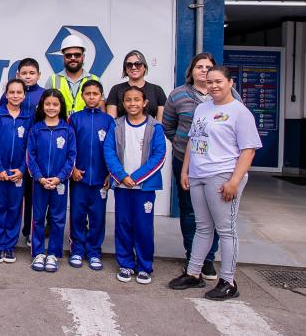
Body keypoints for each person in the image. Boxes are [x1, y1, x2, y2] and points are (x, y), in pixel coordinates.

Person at [169, 66, 262, 300]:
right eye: (210, 82)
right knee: (202, 227)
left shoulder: (240, 112)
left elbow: (248, 151)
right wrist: (186, 170)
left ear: (230, 83)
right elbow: (193, 140)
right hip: (198, 174)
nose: (213, 86)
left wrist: (234, 181)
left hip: (223, 176)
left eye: (218, 81)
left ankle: (228, 281)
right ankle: (193, 273)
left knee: (226, 230)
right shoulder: (202, 108)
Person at [162, 52, 229, 280]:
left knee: (215, 211)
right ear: (191, 71)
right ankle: (193, 256)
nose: (203, 70)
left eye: (208, 67)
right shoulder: (178, 95)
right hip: (186, 161)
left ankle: (208, 259)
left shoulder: (227, 96)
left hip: (218, 164)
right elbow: (168, 126)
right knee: (190, 210)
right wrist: (181, 145)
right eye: (199, 66)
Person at [103, 86, 167, 284]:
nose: (133, 103)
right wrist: (122, 177)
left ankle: (144, 266)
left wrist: (136, 178)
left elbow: (159, 156)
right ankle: (125, 263)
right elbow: (109, 152)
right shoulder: (116, 125)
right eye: (128, 100)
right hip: (122, 187)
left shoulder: (155, 127)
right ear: (123, 103)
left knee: (143, 227)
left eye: (137, 100)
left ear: (145, 102)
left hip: (144, 188)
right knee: (123, 225)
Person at [67, 80, 115, 271]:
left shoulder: (108, 121)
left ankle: (94, 251)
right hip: (79, 178)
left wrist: (110, 173)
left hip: (101, 179)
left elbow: (113, 149)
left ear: (101, 96)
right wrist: (73, 169)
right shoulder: (75, 119)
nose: (92, 97)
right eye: (88, 93)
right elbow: (69, 147)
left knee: (97, 217)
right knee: (77, 215)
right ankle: (77, 250)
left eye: (95, 94)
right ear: (82, 96)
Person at [28, 89, 76, 273]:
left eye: (55, 104)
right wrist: (39, 177)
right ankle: (38, 253)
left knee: (57, 219)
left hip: (59, 183)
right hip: (39, 182)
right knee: (38, 218)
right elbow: (30, 156)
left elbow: (71, 157)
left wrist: (59, 178)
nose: (51, 107)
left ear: (61, 106)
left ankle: (54, 254)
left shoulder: (67, 130)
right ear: (42, 106)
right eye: (47, 104)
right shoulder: (36, 129)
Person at [0, 79, 32, 264]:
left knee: (15, 208)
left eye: (19, 92)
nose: (15, 95)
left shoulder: (29, 117)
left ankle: (10, 246)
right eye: (11, 92)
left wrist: (22, 169)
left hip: (18, 173)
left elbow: (31, 146)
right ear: (6, 94)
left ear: (24, 95)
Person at [6, 57, 46, 244]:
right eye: (24, 73)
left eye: (32, 73)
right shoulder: (10, 94)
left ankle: (30, 231)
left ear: (39, 75)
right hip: (14, 151)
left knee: (33, 196)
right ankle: (8, 233)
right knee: (13, 197)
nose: (28, 76)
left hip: (37, 152)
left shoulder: (44, 95)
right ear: (17, 74)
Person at [105, 50, 167, 120]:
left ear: (144, 67)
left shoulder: (157, 90)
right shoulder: (116, 89)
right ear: (125, 69)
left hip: (151, 127)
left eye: (138, 64)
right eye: (129, 64)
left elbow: (160, 122)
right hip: (121, 127)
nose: (133, 67)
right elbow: (112, 120)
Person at [46, 34, 99, 114]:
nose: (73, 58)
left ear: (83, 57)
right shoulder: (53, 80)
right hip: (61, 122)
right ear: (63, 57)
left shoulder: (94, 79)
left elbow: (101, 110)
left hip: (86, 122)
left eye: (77, 55)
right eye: (68, 55)